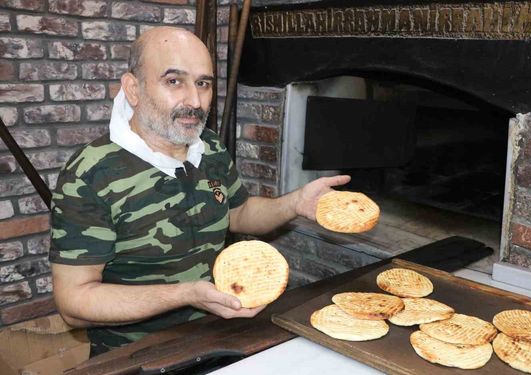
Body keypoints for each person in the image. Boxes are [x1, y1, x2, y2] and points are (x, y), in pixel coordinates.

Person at [49, 26, 349, 356]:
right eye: (174, 81)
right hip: (137, 356)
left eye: (203, 83)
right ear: (133, 89)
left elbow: (240, 213)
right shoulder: (90, 173)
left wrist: (295, 202)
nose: (194, 101)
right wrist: (188, 293)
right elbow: (74, 304)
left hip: (219, 335)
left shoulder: (210, 149)